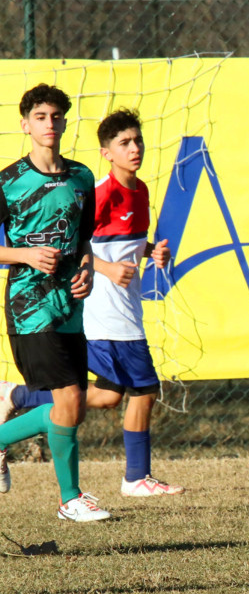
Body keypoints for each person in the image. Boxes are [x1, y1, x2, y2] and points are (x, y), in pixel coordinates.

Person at [0, 110, 184, 498]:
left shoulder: (141, 190)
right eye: (125, 143)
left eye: (138, 141)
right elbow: (79, 244)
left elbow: (122, 243)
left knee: (105, 395)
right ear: (106, 153)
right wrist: (105, 269)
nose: (135, 149)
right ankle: (136, 477)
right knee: (144, 389)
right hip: (102, 308)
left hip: (124, 308)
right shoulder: (99, 192)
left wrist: (151, 252)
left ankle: (14, 396)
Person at [0, 84, 111, 521]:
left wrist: (86, 271)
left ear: (65, 122)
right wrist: (23, 253)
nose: (50, 123)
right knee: (66, 400)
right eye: (41, 116)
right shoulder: (8, 182)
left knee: (74, 405)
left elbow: (84, 240)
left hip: (69, 306)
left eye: (56, 116)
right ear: (25, 124)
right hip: (30, 308)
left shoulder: (82, 177)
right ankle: (71, 499)